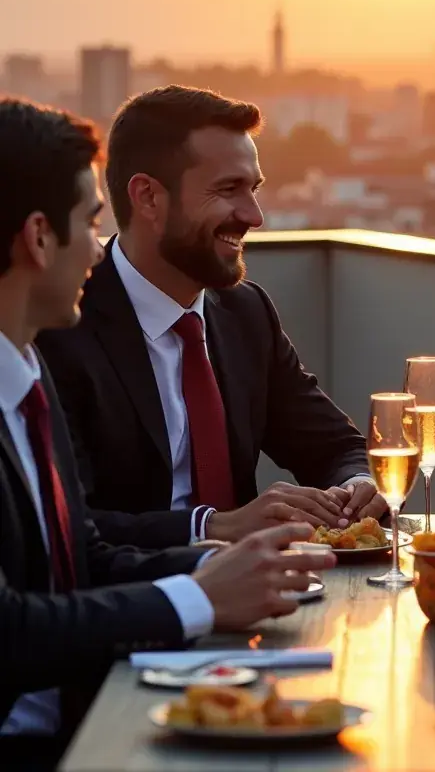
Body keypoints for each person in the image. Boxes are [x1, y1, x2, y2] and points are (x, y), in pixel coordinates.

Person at [0, 98, 335, 770]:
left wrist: (220, 568)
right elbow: (10, 631)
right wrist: (200, 595)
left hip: (91, 701)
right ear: (38, 238)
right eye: (89, 223)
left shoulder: (24, 375)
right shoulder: (51, 360)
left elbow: (82, 558)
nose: (98, 248)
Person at [36, 86, 385, 550]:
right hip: (138, 591)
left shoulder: (246, 313)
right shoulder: (59, 328)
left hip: (262, 587)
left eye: (253, 189)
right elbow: (68, 526)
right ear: (148, 197)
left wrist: (357, 486)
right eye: (228, 189)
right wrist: (209, 528)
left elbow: (335, 446)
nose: (254, 216)